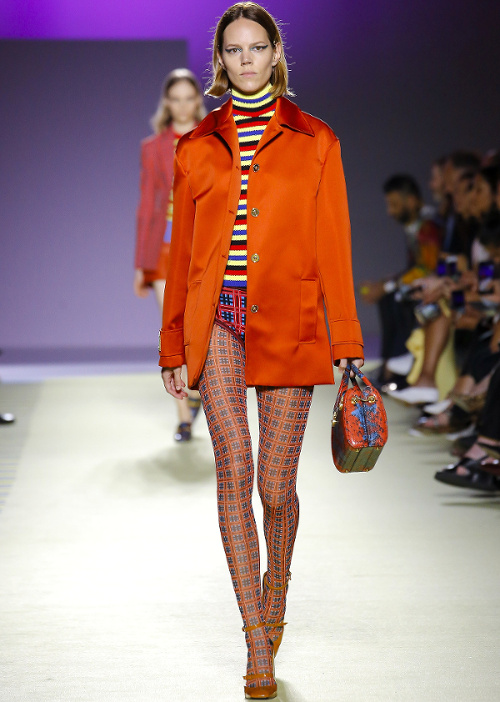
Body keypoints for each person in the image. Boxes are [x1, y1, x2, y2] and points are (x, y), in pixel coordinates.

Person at [158, 3, 364, 698]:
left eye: (256, 47)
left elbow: (335, 244)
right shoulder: (196, 146)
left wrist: (346, 339)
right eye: (233, 49)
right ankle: (255, 636)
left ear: (276, 53)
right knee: (233, 470)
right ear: (220, 60)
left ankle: (277, 587)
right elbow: (182, 254)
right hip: (217, 322)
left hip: (290, 322)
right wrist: (171, 344)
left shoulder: (316, 139)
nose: (245, 59)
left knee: (275, 488)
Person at [134, 68, 206, 441]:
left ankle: (194, 391)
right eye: (175, 99)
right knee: (171, 325)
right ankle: (182, 414)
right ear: (167, 102)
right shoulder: (153, 147)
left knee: (199, 325)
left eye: (188, 98)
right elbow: (147, 205)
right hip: (164, 247)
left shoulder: (213, 138)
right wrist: (140, 264)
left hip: (203, 245)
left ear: (198, 100)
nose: (182, 106)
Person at [360, 174, 442, 389]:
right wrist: (389, 282)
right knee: (390, 298)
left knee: (395, 299)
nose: (390, 212)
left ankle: (395, 371)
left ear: (412, 200)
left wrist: (388, 285)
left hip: (434, 291)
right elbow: (417, 268)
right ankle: (389, 367)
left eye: (395, 205)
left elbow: (427, 267)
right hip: (426, 286)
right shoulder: (418, 226)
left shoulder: (428, 227)